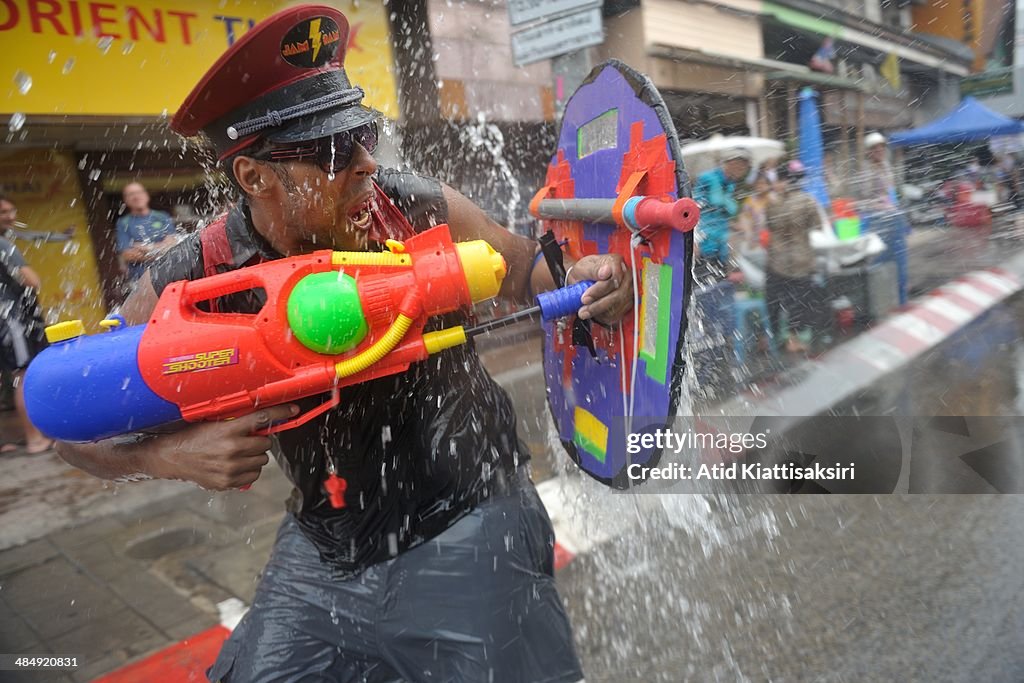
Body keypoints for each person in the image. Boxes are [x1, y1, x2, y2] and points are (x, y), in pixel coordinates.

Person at [55, 5, 633, 681]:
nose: (365, 164)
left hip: (473, 523)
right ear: (254, 177)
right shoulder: (196, 276)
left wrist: (591, 275)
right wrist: (172, 455)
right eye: (333, 151)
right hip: (323, 554)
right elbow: (69, 426)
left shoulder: (416, 208)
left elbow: (532, 267)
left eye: (362, 134)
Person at [0, 195, 52, 453]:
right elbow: (31, 280)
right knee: (23, 374)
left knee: (8, 377)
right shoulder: (3, 244)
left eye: (12, 210)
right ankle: (35, 440)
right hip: (10, 319)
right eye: (3, 212)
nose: (10, 216)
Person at [764, 161, 821, 354]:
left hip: (777, 261)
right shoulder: (808, 200)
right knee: (799, 303)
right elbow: (817, 225)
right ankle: (793, 338)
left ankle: (779, 339)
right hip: (800, 260)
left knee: (775, 303)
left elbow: (770, 226)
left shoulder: (772, 202)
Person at [693, 147, 751, 275]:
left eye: (745, 168)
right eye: (741, 167)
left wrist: (734, 224)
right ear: (731, 163)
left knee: (720, 283)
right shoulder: (707, 178)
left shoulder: (730, 184)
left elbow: (723, 212)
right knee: (703, 284)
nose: (742, 172)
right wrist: (694, 240)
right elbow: (694, 208)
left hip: (722, 245)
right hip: (704, 243)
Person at [116, 181, 178, 286]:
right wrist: (160, 250)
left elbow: (172, 246)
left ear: (146, 195)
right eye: (131, 194)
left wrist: (145, 248)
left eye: (139, 192)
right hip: (140, 281)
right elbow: (128, 255)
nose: (136, 196)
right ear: (125, 200)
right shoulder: (123, 223)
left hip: (168, 276)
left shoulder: (162, 217)